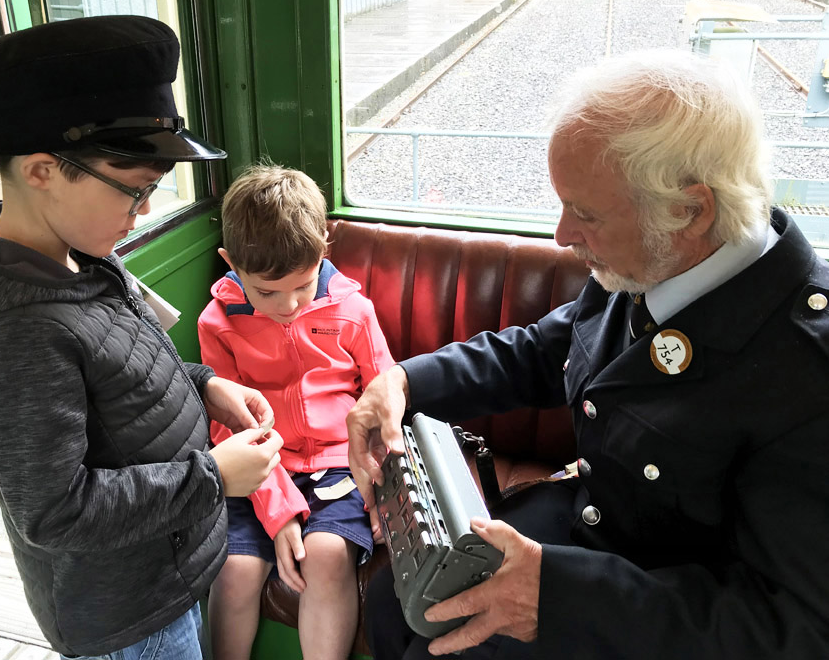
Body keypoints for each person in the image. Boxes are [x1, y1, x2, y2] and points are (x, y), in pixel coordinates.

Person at [346, 49, 829, 659]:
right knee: (396, 602)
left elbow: (792, 629)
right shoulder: (650, 261)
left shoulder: (809, 373)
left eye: (586, 212)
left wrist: (563, 599)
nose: (561, 235)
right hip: (591, 526)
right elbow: (549, 352)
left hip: (654, 612)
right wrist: (403, 384)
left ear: (691, 209)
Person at [0, 16, 285, 660]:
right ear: (40, 171)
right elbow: (55, 511)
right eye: (133, 191)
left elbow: (121, 369)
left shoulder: (73, 251)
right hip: (127, 616)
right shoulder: (22, 332)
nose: (142, 213)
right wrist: (212, 479)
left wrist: (207, 385)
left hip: (162, 571)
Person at [198, 166, 395, 660]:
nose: (288, 305)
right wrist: (279, 510)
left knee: (328, 558)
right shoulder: (217, 323)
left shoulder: (353, 310)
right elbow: (228, 426)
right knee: (235, 570)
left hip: (336, 463)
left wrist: (385, 478)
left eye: (303, 286)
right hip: (257, 466)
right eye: (267, 292)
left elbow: (384, 396)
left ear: (324, 250)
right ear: (231, 263)